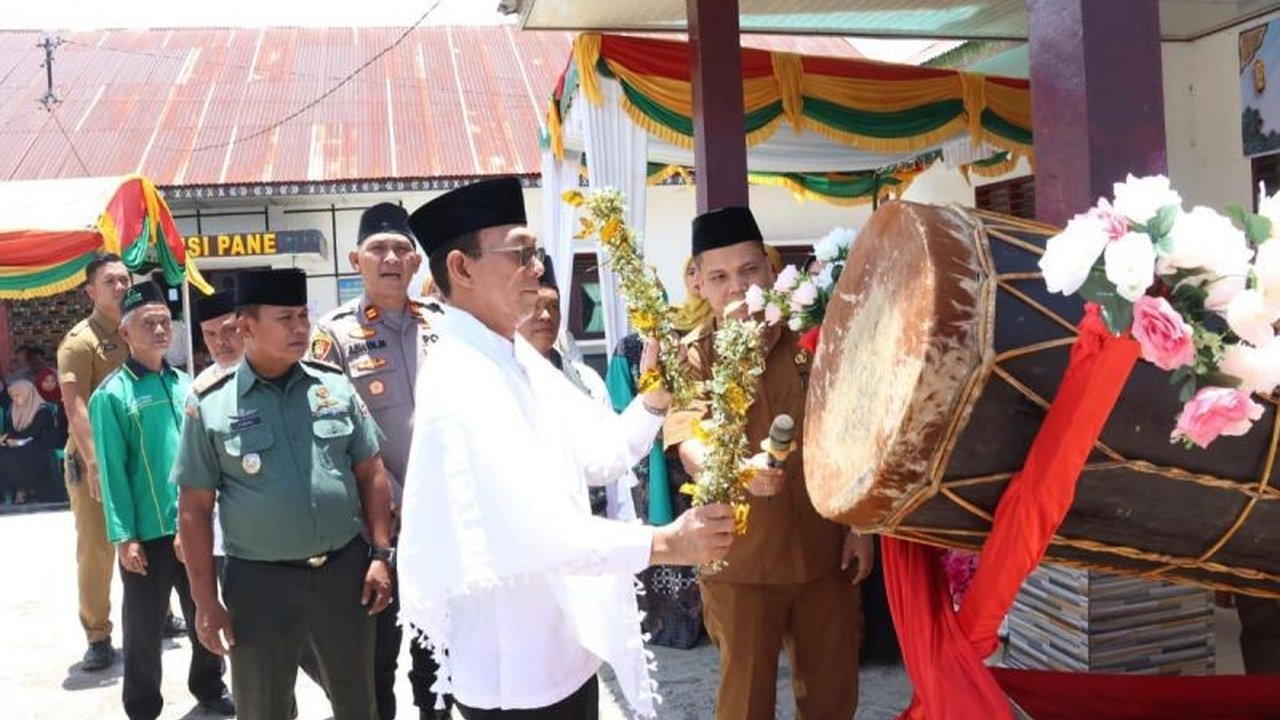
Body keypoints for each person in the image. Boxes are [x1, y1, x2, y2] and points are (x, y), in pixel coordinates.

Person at [396, 177, 736, 720]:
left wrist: (653, 398)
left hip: (562, 648)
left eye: (537, 253)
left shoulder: (514, 357)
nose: (537, 267)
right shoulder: (461, 380)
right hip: (517, 671)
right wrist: (666, 544)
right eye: (522, 252)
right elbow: (538, 533)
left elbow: (599, 452)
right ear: (461, 268)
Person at [666, 206, 873, 720]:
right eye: (720, 276)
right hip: (740, 561)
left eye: (749, 270)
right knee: (745, 703)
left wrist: (862, 525)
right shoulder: (691, 357)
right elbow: (689, 442)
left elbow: (848, 431)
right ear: (699, 285)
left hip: (825, 552)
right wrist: (735, 472)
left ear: (770, 268)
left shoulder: (811, 337)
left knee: (832, 698)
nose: (736, 287)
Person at [175, 268, 395, 720]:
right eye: (285, 318)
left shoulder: (332, 386)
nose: (300, 328)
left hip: (344, 575)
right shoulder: (211, 405)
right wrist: (205, 602)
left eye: (302, 316)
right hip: (259, 585)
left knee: (358, 701)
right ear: (246, 326)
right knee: (263, 706)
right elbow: (194, 511)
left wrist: (379, 554)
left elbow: (371, 472)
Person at [309, 202, 451, 720]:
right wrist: (387, 494)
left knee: (440, 653)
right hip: (378, 527)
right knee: (377, 655)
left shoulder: (444, 325)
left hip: (444, 519)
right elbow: (327, 433)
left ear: (416, 263)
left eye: (401, 249)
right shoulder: (334, 336)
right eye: (377, 249)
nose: (390, 258)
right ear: (355, 260)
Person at [89, 282, 234, 720]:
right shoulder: (112, 396)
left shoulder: (187, 384)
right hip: (147, 535)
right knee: (143, 630)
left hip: (192, 527)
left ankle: (209, 686)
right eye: (147, 324)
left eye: (164, 322)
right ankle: (142, 705)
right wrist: (123, 536)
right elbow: (112, 473)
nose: (158, 331)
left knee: (203, 612)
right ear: (126, 333)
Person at [518, 257, 636, 521]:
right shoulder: (503, 379)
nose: (546, 316)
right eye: (535, 307)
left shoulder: (587, 380)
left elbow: (614, 468)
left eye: (553, 306)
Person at [57, 252, 131, 671]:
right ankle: (98, 635)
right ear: (90, 290)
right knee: (97, 550)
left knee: (148, 538)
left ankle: (156, 615)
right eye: (110, 282)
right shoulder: (79, 341)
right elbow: (76, 407)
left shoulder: (134, 330)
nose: (120, 288)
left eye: (124, 280)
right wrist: (94, 464)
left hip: (133, 455)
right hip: (92, 460)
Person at [0, 378, 63, 504]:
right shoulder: (13, 409)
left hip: (39, 443)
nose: (15, 399)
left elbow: (34, 432)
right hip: (21, 443)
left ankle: (25, 489)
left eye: (18, 395)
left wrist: (16, 441)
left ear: (27, 394)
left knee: (22, 453)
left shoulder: (42, 410)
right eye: (13, 396)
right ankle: (11, 491)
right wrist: (5, 438)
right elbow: (12, 430)